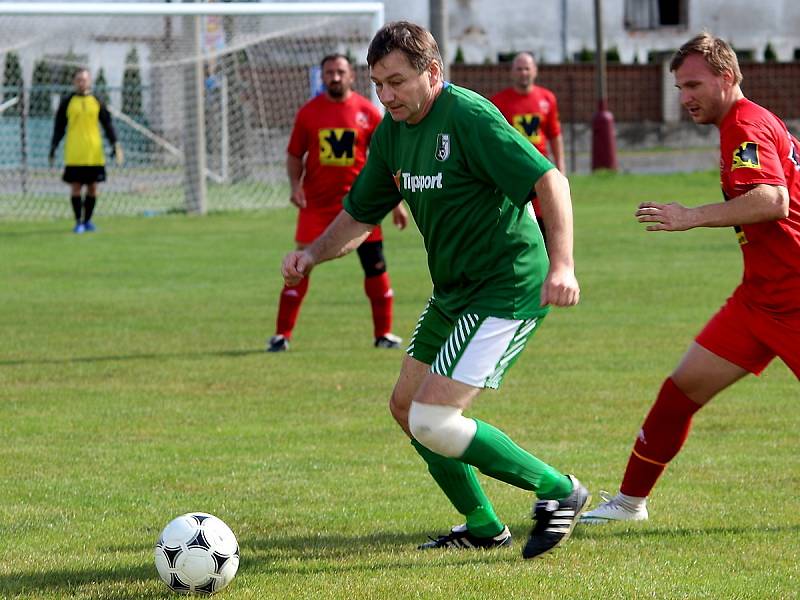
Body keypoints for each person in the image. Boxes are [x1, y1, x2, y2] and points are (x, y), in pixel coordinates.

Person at [281, 22, 590, 559]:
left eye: (397, 82)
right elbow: (358, 214)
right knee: (406, 409)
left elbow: (550, 181)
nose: (386, 95)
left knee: (434, 418)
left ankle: (560, 492)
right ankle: (482, 524)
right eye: (378, 83)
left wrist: (561, 266)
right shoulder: (392, 133)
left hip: (508, 285)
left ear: (433, 73)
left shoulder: (468, 116)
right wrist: (310, 256)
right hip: (455, 292)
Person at [581, 32, 800, 524]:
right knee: (678, 393)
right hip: (759, 301)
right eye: (680, 87)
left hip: (795, 298)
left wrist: (690, 215)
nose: (684, 98)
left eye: (693, 85)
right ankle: (630, 503)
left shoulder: (745, 124)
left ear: (727, 78)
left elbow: (773, 201)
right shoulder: (749, 123)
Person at [267, 53, 408, 352]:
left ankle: (383, 334)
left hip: (360, 207)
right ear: (322, 76)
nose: (334, 77)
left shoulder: (367, 112)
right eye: (329, 72)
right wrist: (295, 186)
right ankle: (281, 335)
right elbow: (294, 155)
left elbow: (387, 160)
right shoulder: (308, 113)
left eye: (340, 72)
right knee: (299, 267)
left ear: (351, 76)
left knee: (376, 267)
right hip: (316, 207)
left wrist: (395, 203)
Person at [491, 52, 565, 238]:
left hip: (540, 171)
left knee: (547, 223)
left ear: (535, 71)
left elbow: (555, 135)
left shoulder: (547, 98)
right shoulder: (499, 102)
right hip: (513, 173)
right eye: (519, 69)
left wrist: (560, 168)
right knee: (519, 223)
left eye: (527, 68)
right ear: (512, 72)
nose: (523, 73)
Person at [49, 67, 122, 234]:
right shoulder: (67, 101)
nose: (82, 82)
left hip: (94, 152)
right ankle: (78, 222)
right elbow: (59, 126)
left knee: (93, 188)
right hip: (74, 152)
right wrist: (53, 146)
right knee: (75, 187)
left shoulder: (97, 100)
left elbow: (107, 124)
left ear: (90, 81)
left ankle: (88, 220)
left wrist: (115, 143)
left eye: (85, 79)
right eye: (79, 79)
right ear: (74, 82)